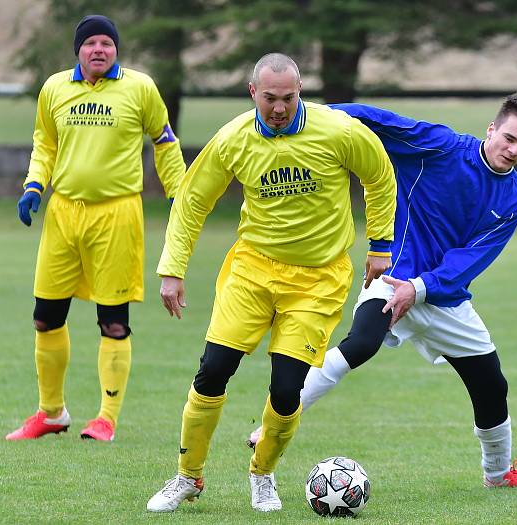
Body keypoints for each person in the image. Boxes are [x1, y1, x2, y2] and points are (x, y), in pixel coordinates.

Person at [247, 93, 517, 488]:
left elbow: (472, 258)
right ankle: (269, 428)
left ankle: (499, 475)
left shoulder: (516, 197)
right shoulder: (441, 146)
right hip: (394, 276)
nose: (514, 151)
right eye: (509, 138)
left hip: (443, 296)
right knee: (359, 345)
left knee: (492, 385)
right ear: (492, 129)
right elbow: (379, 120)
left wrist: (422, 288)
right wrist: (308, 115)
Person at [146, 53, 396, 513]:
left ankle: (262, 475)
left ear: (300, 91)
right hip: (253, 271)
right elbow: (192, 201)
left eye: (288, 97)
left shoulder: (338, 131)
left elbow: (379, 175)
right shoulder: (233, 139)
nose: (279, 107)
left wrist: (380, 245)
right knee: (213, 371)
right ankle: (187, 476)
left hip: (319, 280)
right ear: (252, 93)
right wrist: (172, 268)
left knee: (286, 389)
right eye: (270, 98)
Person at [6, 14, 186, 442]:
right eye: (91, 44)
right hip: (63, 213)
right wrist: (34, 185)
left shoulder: (140, 88)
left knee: (113, 321)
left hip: (117, 214)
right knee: (45, 317)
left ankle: (106, 417)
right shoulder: (54, 88)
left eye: (107, 42)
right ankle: (51, 412)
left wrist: (181, 195)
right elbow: (44, 144)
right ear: (79, 50)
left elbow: (164, 141)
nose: (99, 49)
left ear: (116, 49)